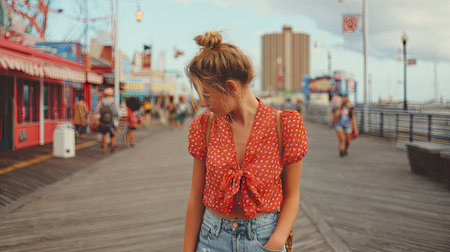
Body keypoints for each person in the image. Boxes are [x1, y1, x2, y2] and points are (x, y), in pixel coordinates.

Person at [183, 31, 308, 252]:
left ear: (231, 88)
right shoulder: (205, 126)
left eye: (207, 95)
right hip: (212, 239)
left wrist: (276, 242)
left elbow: (292, 195)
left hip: (264, 238)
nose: (202, 103)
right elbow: (195, 197)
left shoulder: (285, 124)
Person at [96, 88, 118, 154]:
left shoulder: (101, 103)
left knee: (104, 135)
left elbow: (97, 112)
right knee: (112, 135)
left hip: (102, 122)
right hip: (111, 122)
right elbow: (116, 113)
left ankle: (104, 149)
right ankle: (112, 147)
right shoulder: (113, 103)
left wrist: (97, 120)